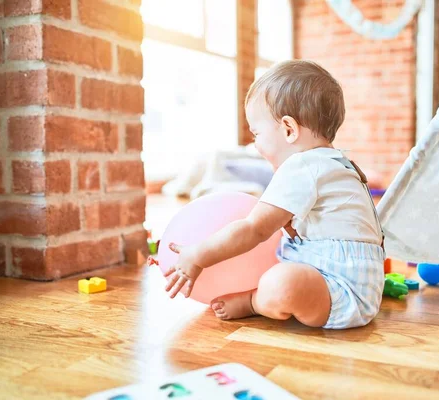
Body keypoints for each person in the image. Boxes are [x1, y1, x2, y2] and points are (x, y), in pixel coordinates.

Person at [164, 60, 385, 329]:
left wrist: (198, 255)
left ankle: (253, 302)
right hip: (358, 289)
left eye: (256, 133)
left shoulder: (303, 165)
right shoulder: (339, 163)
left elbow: (253, 229)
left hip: (336, 289)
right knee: (280, 263)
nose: (254, 144)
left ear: (288, 129)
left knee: (280, 283)